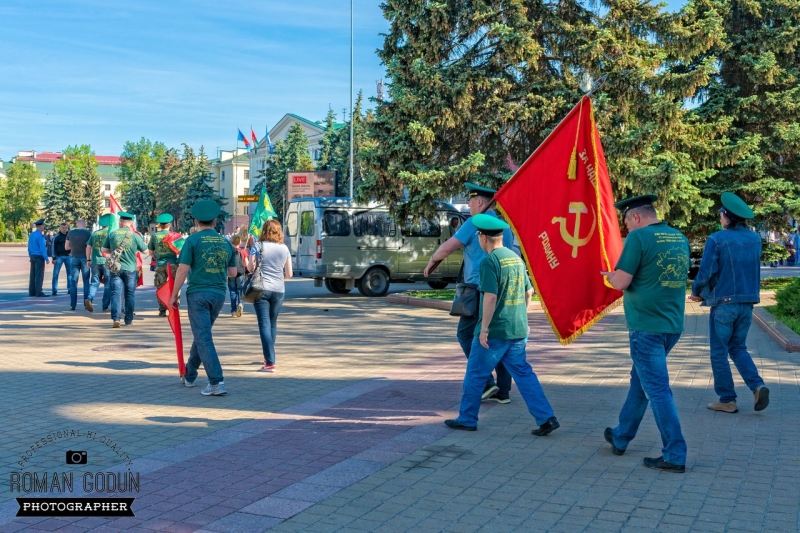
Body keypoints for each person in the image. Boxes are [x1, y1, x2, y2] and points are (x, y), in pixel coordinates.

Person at [444, 214, 559, 436]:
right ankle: (546, 417)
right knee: (524, 374)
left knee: (476, 374)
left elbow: (490, 297)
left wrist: (484, 328)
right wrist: (522, 318)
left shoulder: (489, 261)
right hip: (517, 330)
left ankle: (467, 418)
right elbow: (529, 291)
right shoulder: (516, 259)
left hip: (495, 331)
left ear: (482, 238)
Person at [601, 194, 690, 473]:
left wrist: (608, 276)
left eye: (626, 223)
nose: (626, 229)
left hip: (645, 328)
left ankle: (675, 454)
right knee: (641, 381)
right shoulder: (678, 237)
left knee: (658, 390)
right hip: (671, 325)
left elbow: (622, 281)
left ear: (636, 217)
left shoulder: (639, 239)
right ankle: (621, 435)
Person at [423, 183, 515, 403]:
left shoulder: (475, 222)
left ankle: (486, 384)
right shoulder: (506, 226)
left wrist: (432, 261)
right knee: (499, 338)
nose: (468, 204)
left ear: (480, 202)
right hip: (504, 288)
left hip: (478, 290)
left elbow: (448, 247)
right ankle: (503, 391)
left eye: (470, 200)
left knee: (465, 334)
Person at [690, 192, 769, 414]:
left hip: (724, 304)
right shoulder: (755, 239)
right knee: (738, 347)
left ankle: (727, 399)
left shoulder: (717, 239)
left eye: (721, 215)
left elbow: (706, 271)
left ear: (727, 216)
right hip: (747, 303)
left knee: (719, 351)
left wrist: (697, 291)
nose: (719, 218)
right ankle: (757, 386)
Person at [169, 200, 237, 396]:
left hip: (197, 294)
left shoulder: (192, 240)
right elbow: (232, 272)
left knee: (203, 337)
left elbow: (182, 271)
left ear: (196, 221)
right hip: (218, 295)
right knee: (202, 335)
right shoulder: (226, 243)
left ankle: (216, 382)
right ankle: (190, 375)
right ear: (215, 222)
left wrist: (174, 296)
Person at [248, 219, 292, 372]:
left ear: (264, 231)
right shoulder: (284, 249)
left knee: (264, 324)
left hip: (261, 289)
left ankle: (270, 362)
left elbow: (250, 267)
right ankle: (269, 357)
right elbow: (289, 274)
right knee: (272, 323)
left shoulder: (258, 246)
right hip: (279, 290)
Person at [102, 212, 147, 328]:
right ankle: (128, 320)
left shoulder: (112, 234)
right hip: (131, 269)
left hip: (115, 268)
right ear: (131, 223)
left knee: (115, 293)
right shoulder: (135, 235)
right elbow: (145, 251)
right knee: (129, 294)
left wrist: (114, 252)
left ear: (120, 222)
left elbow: (104, 250)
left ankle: (116, 319)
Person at [150, 213, 180, 318]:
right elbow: (181, 250)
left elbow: (150, 251)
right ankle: (174, 307)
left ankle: (162, 310)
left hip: (160, 264)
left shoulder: (154, 236)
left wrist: (156, 257)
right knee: (175, 286)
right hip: (173, 263)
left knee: (160, 286)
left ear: (160, 225)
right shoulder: (175, 235)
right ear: (169, 225)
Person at [87, 214, 112, 312]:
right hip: (107, 262)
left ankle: (89, 298)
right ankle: (105, 306)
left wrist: (88, 259)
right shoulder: (110, 233)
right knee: (108, 284)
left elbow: (88, 247)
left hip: (95, 261)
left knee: (94, 283)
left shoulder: (94, 233)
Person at [66, 219, 92, 311]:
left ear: (77, 224)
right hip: (85, 259)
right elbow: (90, 247)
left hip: (74, 258)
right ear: (84, 225)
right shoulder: (88, 234)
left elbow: (66, 247)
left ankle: (73, 305)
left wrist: (73, 249)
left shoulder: (70, 233)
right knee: (86, 281)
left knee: (73, 281)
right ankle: (86, 304)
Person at [28, 219, 50, 297]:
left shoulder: (31, 235)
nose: (44, 226)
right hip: (39, 257)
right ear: (40, 226)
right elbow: (42, 248)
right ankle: (39, 292)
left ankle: (32, 291)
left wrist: (30, 255)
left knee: (32, 274)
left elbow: (29, 246)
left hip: (33, 256)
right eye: (43, 225)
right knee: (39, 275)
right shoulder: (40, 236)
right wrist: (46, 258)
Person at [50, 222, 72, 296]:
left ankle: (70, 289)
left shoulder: (70, 236)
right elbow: (53, 247)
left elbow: (73, 245)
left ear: (67, 228)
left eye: (65, 228)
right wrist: (53, 257)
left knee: (70, 274)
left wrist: (72, 253)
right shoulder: (56, 237)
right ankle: (54, 290)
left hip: (69, 257)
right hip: (59, 257)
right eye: (63, 228)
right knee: (55, 274)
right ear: (60, 228)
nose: (64, 229)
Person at [228, 235, 247, 317]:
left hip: (231, 274)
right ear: (240, 242)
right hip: (240, 273)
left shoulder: (228, 251)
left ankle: (233, 310)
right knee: (240, 290)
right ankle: (240, 304)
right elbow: (246, 263)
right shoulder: (243, 251)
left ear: (231, 242)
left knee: (232, 292)